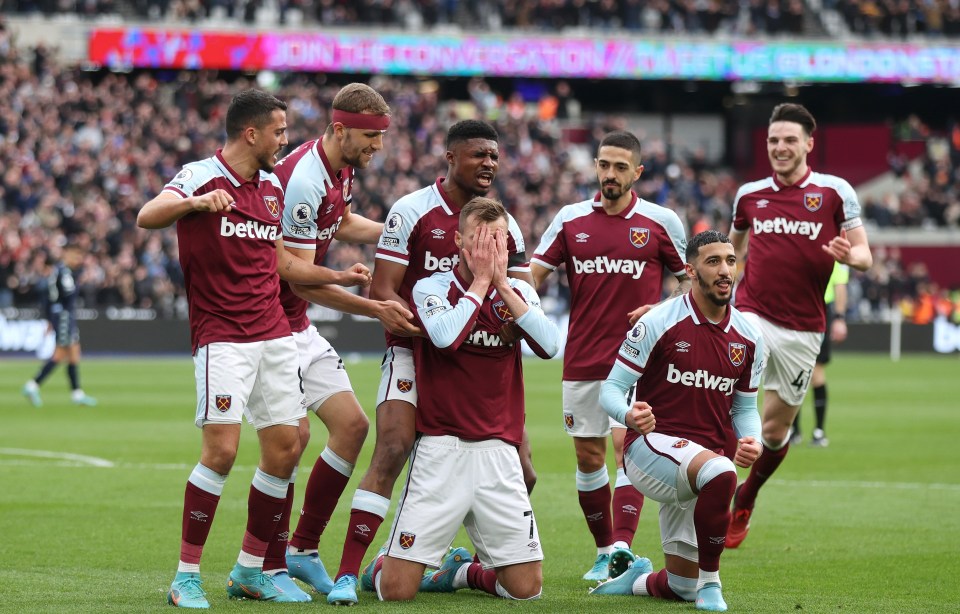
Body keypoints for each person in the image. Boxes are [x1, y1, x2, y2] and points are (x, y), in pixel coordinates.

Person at [136, 88, 369, 609]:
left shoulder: (271, 188)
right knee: (221, 451)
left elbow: (283, 263)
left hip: (274, 335)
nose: (285, 141)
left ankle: (249, 569)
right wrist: (193, 204)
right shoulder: (201, 175)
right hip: (222, 338)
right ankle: (186, 576)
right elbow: (147, 215)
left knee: (286, 449)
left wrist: (338, 275)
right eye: (279, 132)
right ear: (252, 133)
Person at [323, 119, 534, 606]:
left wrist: (498, 325)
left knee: (525, 472)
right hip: (414, 351)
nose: (489, 164)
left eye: (494, 156)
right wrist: (439, 331)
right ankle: (349, 572)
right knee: (393, 447)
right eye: (478, 155)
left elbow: (522, 296)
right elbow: (381, 292)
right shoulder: (412, 211)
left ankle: (466, 565)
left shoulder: (505, 223)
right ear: (450, 157)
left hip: (479, 365)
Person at [260, 83, 417, 601]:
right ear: (340, 129)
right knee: (293, 441)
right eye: (370, 138)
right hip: (268, 325)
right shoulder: (302, 179)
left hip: (298, 323)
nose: (377, 148)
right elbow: (296, 276)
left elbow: (342, 221)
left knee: (351, 427)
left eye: (381, 138)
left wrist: (400, 233)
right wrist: (372, 303)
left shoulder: (339, 168)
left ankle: (303, 551)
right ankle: (267, 562)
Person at [374, 196, 559, 601]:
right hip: (442, 448)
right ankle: (382, 564)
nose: (491, 250)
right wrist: (479, 283)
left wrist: (503, 284)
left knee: (526, 591)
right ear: (458, 241)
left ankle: (460, 574)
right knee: (396, 592)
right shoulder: (431, 287)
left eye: (499, 240)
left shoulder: (519, 295)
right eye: (481, 240)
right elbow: (444, 338)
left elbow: (550, 346)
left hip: (499, 452)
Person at [530, 129, 688, 581]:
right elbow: (532, 275)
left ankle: (622, 545)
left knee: (627, 446)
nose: (610, 174)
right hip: (582, 356)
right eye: (604, 165)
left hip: (638, 358)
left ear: (637, 172)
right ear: (595, 167)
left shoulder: (660, 222)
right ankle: (604, 552)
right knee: (588, 457)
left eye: (620, 167)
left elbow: (688, 281)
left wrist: (660, 308)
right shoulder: (570, 219)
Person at [589, 229, 764, 613]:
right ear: (690, 270)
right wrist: (628, 414)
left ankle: (636, 579)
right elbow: (611, 390)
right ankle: (712, 586)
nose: (724, 271)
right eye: (713, 261)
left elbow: (745, 408)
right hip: (649, 450)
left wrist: (753, 439)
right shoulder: (658, 322)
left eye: (730, 261)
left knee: (679, 585)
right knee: (721, 472)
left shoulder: (750, 336)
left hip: (699, 464)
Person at [725, 103, 872, 549]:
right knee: (724, 390)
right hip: (752, 314)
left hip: (805, 330)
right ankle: (708, 482)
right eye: (773, 141)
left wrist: (852, 257)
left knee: (773, 433)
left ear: (809, 143)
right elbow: (732, 256)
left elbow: (866, 254)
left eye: (790, 140)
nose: (780, 148)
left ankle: (747, 496)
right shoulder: (749, 195)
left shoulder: (834, 192)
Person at [22, 243, 97, 408]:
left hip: (62, 315)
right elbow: (68, 296)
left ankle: (77, 394)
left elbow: (50, 299)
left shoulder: (61, 271)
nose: (79, 259)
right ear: (67, 254)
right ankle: (32, 385)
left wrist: (50, 319)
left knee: (74, 353)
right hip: (63, 316)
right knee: (60, 354)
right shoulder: (64, 272)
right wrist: (81, 281)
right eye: (76, 255)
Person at [790, 261, 849, 447]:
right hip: (799, 311)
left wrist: (839, 317)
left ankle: (816, 430)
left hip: (818, 311)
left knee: (814, 372)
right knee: (794, 372)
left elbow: (840, 287)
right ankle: (797, 430)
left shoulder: (831, 256)